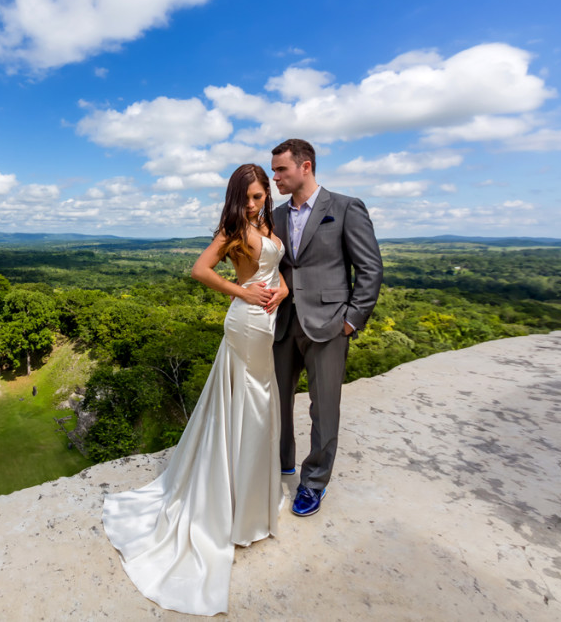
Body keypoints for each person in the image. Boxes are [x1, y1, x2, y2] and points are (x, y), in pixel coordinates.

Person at [102, 164, 289, 616]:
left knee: (261, 403)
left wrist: (280, 289)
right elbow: (200, 269)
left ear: (266, 194)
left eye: (259, 195)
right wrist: (241, 293)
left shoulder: (269, 223)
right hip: (246, 322)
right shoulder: (234, 228)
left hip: (267, 321)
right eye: (246, 197)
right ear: (235, 197)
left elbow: (276, 271)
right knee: (252, 405)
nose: (253, 203)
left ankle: (250, 500)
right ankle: (231, 507)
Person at [269, 138, 383, 517]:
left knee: (325, 410)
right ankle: (282, 462)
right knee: (276, 402)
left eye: (281, 169)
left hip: (330, 325)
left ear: (306, 166)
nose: (275, 177)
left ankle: (313, 482)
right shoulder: (278, 216)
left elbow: (370, 269)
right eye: (274, 170)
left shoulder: (347, 208)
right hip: (284, 323)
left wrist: (351, 321)